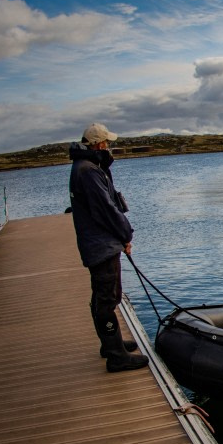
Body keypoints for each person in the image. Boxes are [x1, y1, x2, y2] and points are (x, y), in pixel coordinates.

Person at [68, 122, 148, 372]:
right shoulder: (89, 171)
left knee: (106, 296)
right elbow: (106, 210)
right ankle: (116, 356)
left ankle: (110, 344)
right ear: (98, 144)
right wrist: (126, 234)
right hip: (101, 244)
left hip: (99, 242)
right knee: (106, 298)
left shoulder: (86, 167)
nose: (110, 147)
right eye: (107, 143)